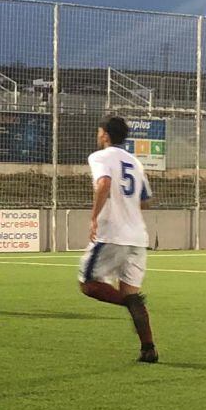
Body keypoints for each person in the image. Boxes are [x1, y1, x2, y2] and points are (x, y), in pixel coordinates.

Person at [78, 116, 157, 363]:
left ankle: (130, 303)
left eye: (99, 131)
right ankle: (148, 349)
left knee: (88, 284)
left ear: (105, 135)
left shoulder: (99, 157)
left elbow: (103, 183)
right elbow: (145, 200)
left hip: (113, 234)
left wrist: (93, 218)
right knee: (130, 291)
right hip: (137, 237)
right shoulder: (135, 162)